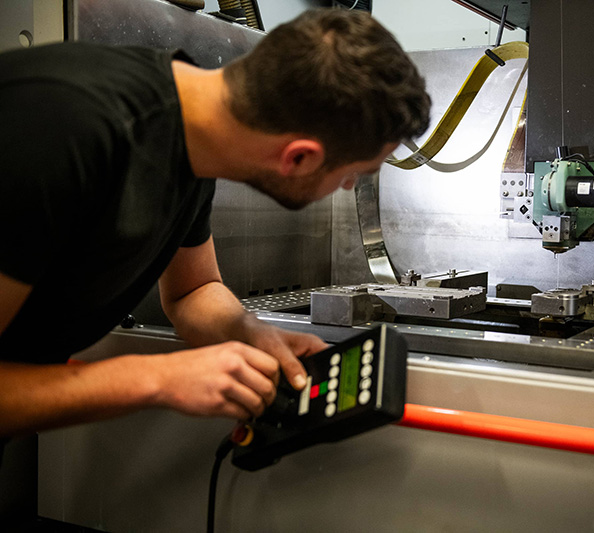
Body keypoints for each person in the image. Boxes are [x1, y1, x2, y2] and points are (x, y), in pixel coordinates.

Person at [0, 8, 430, 449]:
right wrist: (155, 379)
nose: (348, 186)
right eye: (353, 174)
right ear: (300, 157)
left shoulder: (188, 135)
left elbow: (192, 291)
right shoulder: (68, 132)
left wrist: (251, 333)